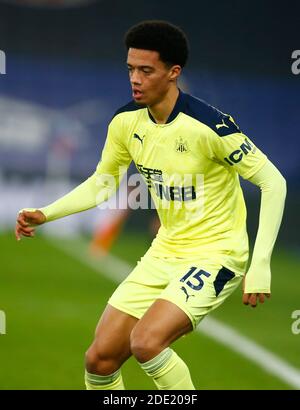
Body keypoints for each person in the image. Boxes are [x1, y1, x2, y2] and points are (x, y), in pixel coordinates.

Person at [15, 20, 287, 390]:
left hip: (215, 254)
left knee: (146, 342)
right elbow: (102, 183)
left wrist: (260, 265)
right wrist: (46, 213)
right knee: (99, 360)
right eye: (131, 69)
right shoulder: (125, 122)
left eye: (146, 70)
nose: (135, 79)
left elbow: (273, 181)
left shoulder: (211, 127)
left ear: (174, 73)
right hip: (165, 252)